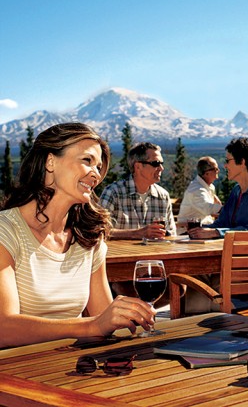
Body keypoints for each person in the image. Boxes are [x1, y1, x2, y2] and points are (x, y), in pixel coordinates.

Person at [0, 123, 155, 348]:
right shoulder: (7, 230)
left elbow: (103, 321)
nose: (96, 174)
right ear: (50, 162)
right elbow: (4, 329)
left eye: (99, 166)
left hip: (73, 367)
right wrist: (90, 326)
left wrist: (120, 316)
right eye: (87, 160)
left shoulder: (89, 237)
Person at [189, 137, 248, 238]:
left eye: (228, 161)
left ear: (242, 162)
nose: (225, 166)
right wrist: (197, 230)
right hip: (235, 250)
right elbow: (221, 224)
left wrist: (215, 232)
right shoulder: (236, 191)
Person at [100, 142, 176, 240]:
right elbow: (99, 230)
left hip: (155, 254)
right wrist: (137, 233)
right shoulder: (113, 192)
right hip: (120, 254)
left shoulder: (163, 196)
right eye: (156, 163)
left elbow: (171, 234)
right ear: (138, 166)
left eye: (161, 163)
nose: (161, 168)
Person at [177, 156, 222, 226]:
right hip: (189, 230)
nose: (218, 170)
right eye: (215, 169)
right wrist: (228, 208)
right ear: (206, 173)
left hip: (202, 227)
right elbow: (207, 208)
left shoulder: (209, 187)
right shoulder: (196, 190)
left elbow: (216, 206)